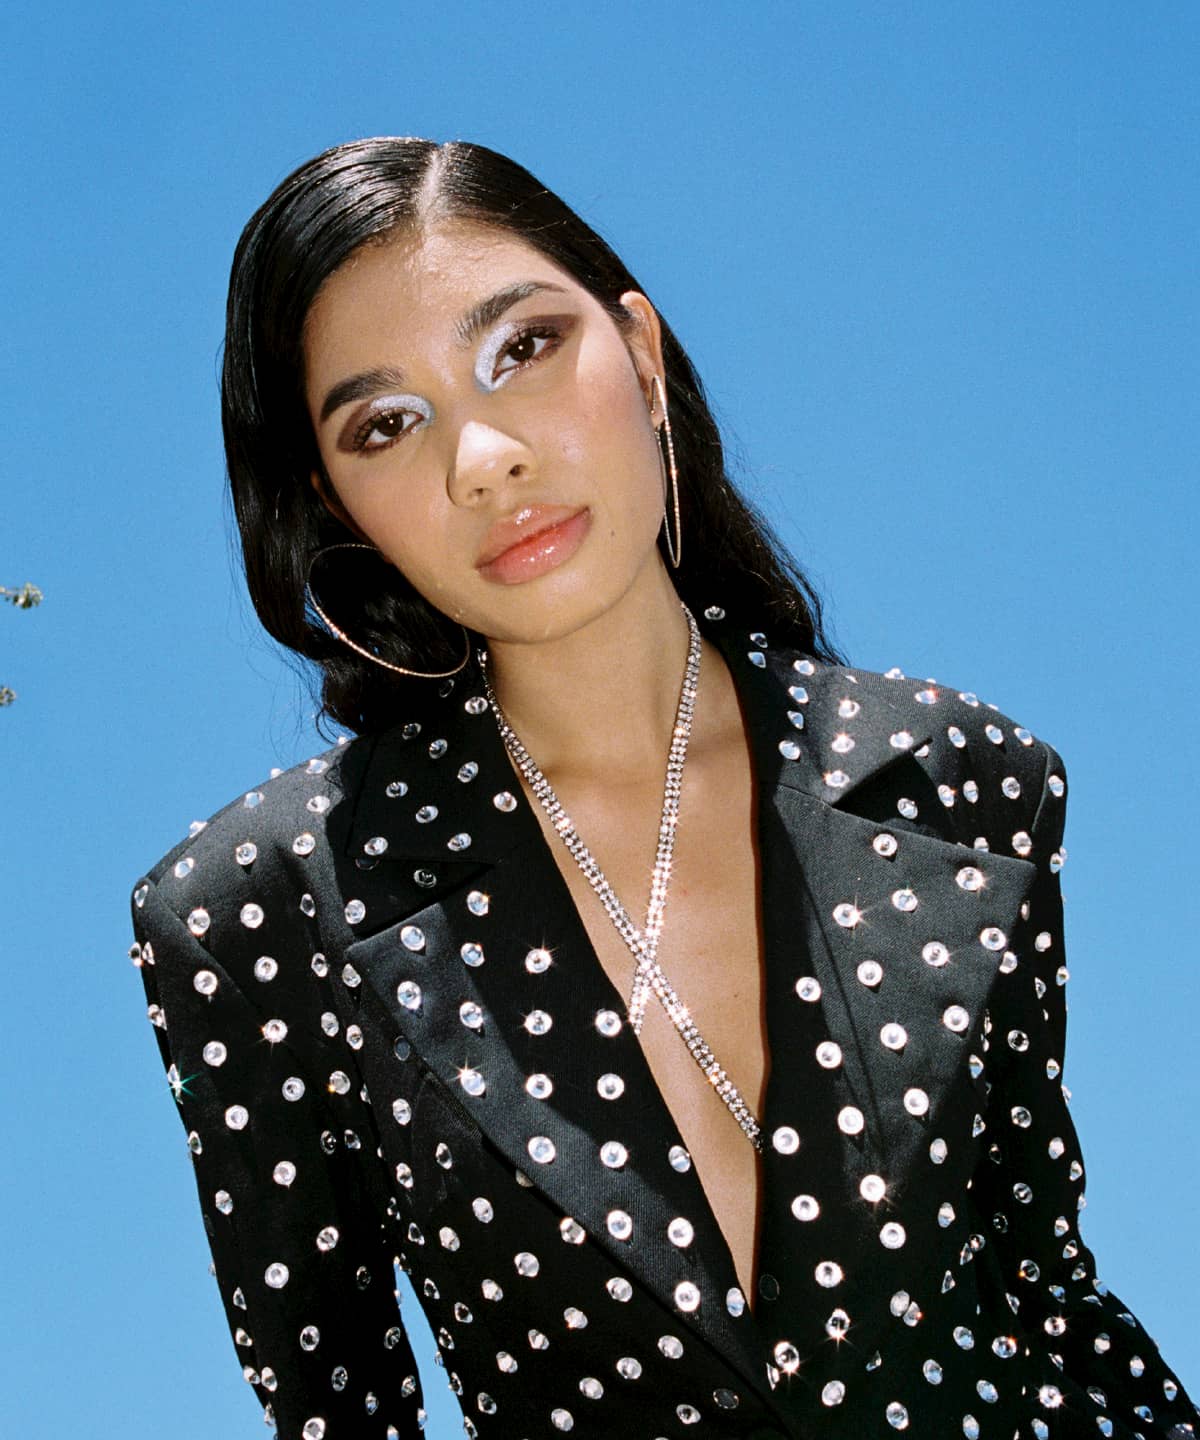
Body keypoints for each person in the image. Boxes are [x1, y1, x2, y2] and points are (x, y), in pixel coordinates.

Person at [130, 136, 1196, 1440]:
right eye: (386, 424)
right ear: (336, 504)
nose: (482, 456)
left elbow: (1048, 1295)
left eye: (520, 348)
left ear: (637, 349)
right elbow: (336, 1411)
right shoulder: (261, 909)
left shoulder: (962, 781)